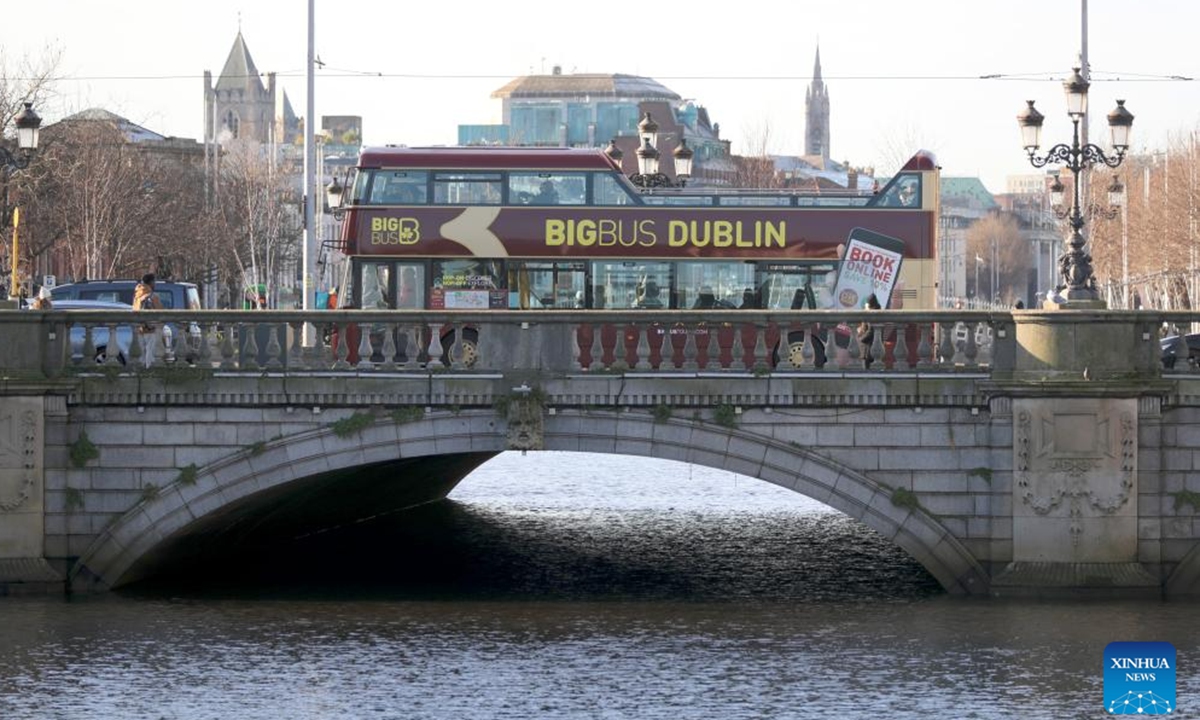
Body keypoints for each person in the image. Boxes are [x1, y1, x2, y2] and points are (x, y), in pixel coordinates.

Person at [133, 273, 164, 367]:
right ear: (151, 282)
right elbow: (161, 312)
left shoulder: (137, 295)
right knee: (151, 354)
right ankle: (149, 373)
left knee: (141, 354)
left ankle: (140, 374)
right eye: (154, 281)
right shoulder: (152, 296)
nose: (155, 284)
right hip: (151, 328)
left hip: (139, 328)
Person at [858, 293, 881, 369]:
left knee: (868, 368)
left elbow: (870, 331)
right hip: (874, 346)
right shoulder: (879, 312)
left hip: (869, 347)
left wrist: (861, 339)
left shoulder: (872, 315)